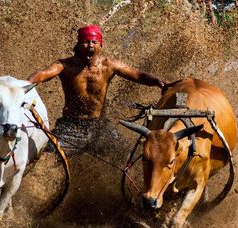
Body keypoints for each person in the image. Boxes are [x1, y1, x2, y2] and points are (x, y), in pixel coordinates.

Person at [27, 24, 165, 155]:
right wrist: (26, 83)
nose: (90, 46)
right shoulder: (65, 65)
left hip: (99, 127)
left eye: (94, 42)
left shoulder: (108, 65)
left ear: (100, 45)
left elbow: (138, 75)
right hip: (70, 126)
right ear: (78, 45)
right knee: (47, 154)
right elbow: (43, 74)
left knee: (125, 153)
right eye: (86, 42)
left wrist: (158, 82)